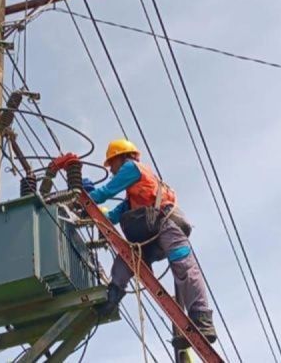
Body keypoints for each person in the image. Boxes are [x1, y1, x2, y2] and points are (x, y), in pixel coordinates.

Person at [88, 138, 217, 344]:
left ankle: (202, 320)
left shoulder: (132, 167)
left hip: (166, 225)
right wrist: (91, 208)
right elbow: (111, 216)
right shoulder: (133, 197)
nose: (111, 170)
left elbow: (105, 193)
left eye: (111, 163)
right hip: (150, 236)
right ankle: (111, 299)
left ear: (122, 157)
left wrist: (84, 196)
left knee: (184, 267)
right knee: (124, 261)